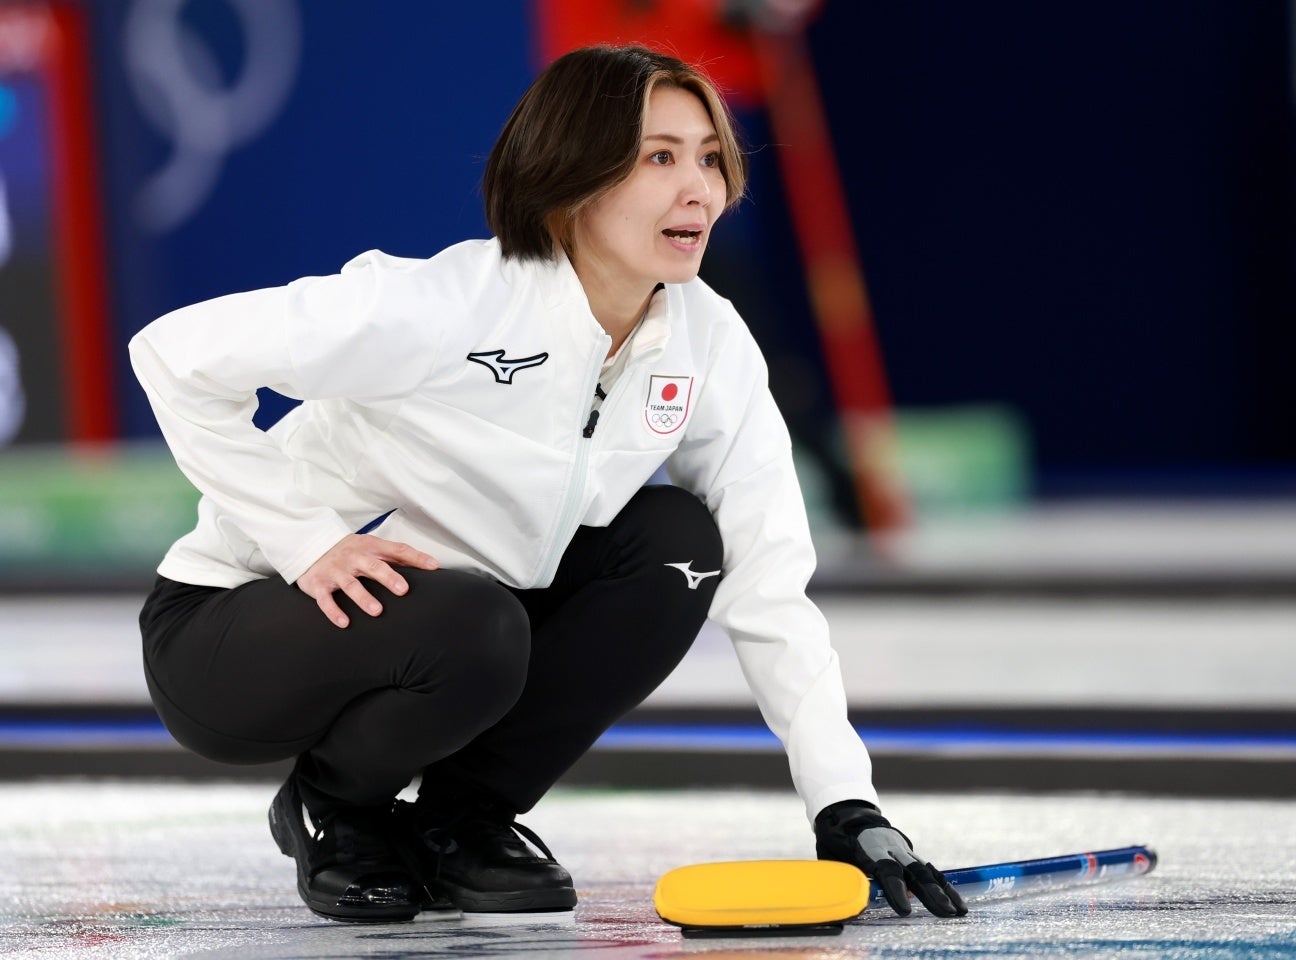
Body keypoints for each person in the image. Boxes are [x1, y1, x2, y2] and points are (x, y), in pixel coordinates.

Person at [130, 43, 966, 924]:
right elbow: (172, 354)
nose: (701, 189)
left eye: (711, 157)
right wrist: (306, 540)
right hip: (232, 632)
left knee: (677, 543)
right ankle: (338, 804)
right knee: (478, 624)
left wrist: (845, 803)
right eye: (660, 157)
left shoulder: (709, 342)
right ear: (574, 173)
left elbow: (771, 579)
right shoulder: (448, 305)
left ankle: (464, 818)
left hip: (461, 627)